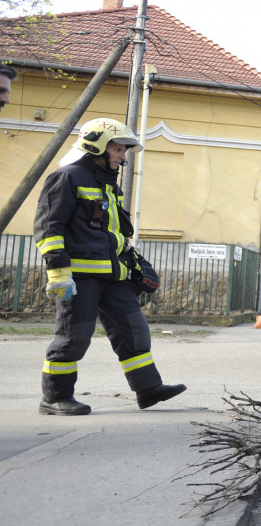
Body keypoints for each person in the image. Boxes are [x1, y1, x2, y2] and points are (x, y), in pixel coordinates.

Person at [35, 117, 186, 415]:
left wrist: (131, 264)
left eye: (124, 150)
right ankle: (54, 398)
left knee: (135, 331)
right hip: (79, 276)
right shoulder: (67, 177)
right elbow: (49, 227)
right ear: (97, 147)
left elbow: (112, 232)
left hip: (114, 275)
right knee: (73, 337)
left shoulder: (108, 184)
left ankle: (148, 389)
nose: (122, 156)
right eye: (117, 149)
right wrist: (58, 273)